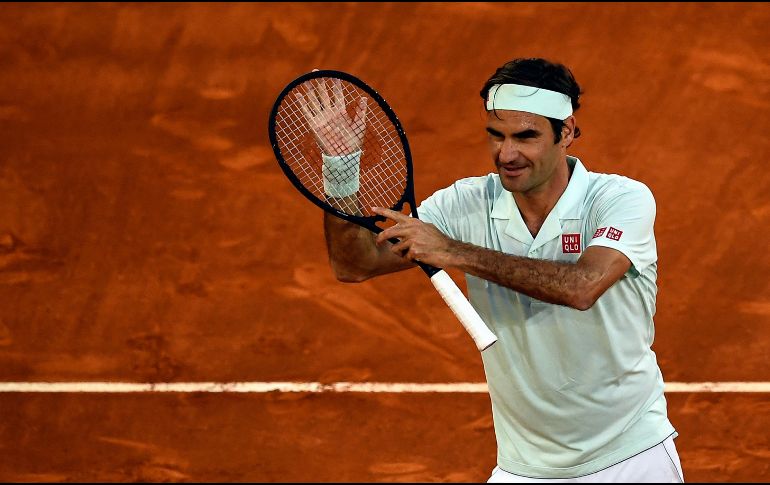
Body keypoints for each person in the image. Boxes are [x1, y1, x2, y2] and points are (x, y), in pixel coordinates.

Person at [314, 58, 683, 482]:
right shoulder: (466, 204)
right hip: (522, 468)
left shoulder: (621, 199)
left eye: (525, 136)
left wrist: (452, 251)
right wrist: (341, 168)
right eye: (496, 135)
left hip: (631, 459)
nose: (506, 154)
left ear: (566, 133)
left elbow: (582, 287)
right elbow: (353, 264)